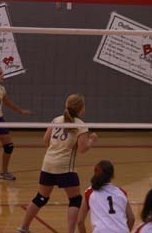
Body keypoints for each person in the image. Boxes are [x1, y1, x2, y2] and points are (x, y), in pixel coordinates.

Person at [17, 94, 98, 233]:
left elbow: (45, 140)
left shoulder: (56, 120)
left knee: (41, 198)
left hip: (48, 164)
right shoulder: (80, 125)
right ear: (81, 109)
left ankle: (23, 228)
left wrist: (57, 147)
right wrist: (92, 140)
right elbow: (82, 149)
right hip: (65, 167)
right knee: (75, 200)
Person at [77, 160, 135, 233]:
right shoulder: (121, 192)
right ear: (112, 175)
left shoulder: (90, 192)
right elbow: (131, 218)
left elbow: (80, 222)